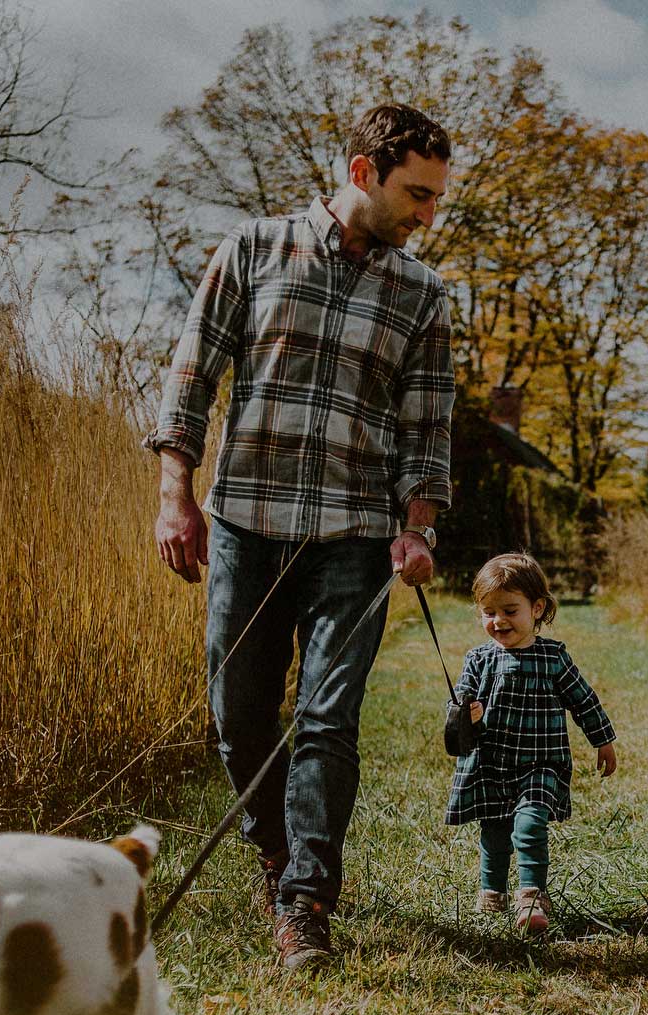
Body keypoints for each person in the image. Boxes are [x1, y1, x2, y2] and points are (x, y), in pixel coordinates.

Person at [144, 104, 456, 970]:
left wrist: (417, 525)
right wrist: (177, 495)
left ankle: (307, 901)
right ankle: (277, 852)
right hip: (248, 520)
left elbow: (427, 428)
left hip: (354, 538)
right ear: (363, 171)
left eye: (435, 197)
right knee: (238, 712)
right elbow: (191, 373)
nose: (429, 214)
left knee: (326, 718)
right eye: (416, 194)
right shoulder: (252, 249)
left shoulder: (424, 295)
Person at [445, 554, 618, 934]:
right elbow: (456, 705)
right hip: (490, 760)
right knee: (493, 832)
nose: (499, 621)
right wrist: (465, 714)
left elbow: (582, 699)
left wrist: (602, 739)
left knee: (530, 822)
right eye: (488, 612)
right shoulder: (478, 660)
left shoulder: (553, 657)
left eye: (510, 610)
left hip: (541, 761)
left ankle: (532, 895)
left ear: (536, 608)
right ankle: (492, 892)